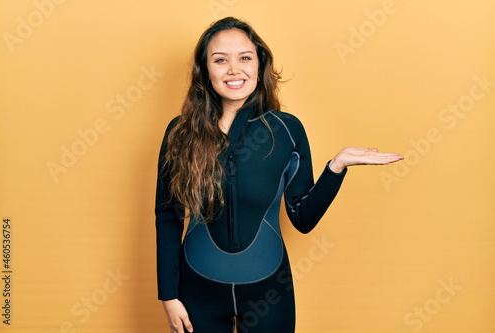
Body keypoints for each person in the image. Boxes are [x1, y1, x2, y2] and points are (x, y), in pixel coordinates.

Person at [155, 16, 403, 333]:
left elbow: (302, 218)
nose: (234, 69)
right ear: (205, 71)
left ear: (260, 66)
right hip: (196, 295)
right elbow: (168, 216)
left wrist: (335, 168)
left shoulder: (286, 130)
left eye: (245, 58)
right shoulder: (180, 133)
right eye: (220, 60)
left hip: (268, 295)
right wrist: (169, 296)